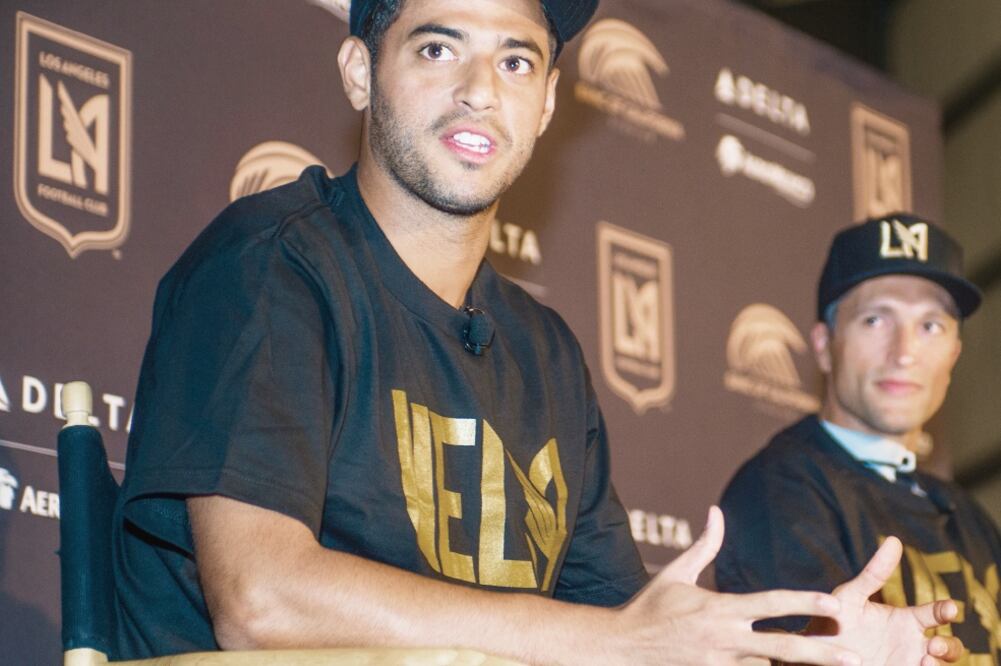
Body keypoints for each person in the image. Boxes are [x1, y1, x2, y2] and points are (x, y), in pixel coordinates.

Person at [112, 0, 963, 663]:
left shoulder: (543, 349)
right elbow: (261, 602)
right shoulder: (270, 265)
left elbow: (629, 629)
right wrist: (612, 646)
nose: (480, 87)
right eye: (437, 47)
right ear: (360, 71)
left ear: (551, 99)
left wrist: (807, 654)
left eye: (515, 59)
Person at [716, 214, 1000, 663]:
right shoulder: (779, 491)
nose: (904, 352)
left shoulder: (973, 521)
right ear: (825, 344)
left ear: (955, 353)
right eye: (875, 320)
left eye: (931, 326)